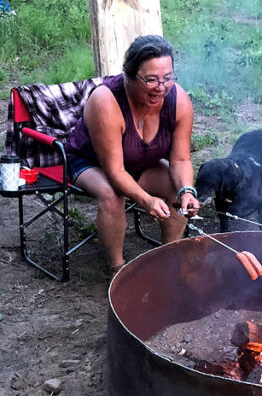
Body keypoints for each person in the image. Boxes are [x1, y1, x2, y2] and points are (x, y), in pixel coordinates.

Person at [67, 35, 201, 274]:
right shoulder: (106, 101)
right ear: (130, 75)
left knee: (175, 188)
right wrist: (145, 199)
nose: (161, 87)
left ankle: (169, 258)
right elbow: (115, 171)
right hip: (91, 163)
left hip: (141, 163)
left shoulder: (179, 100)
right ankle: (118, 269)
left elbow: (180, 159)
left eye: (167, 78)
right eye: (151, 80)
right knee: (112, 195)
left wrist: (187, 191)